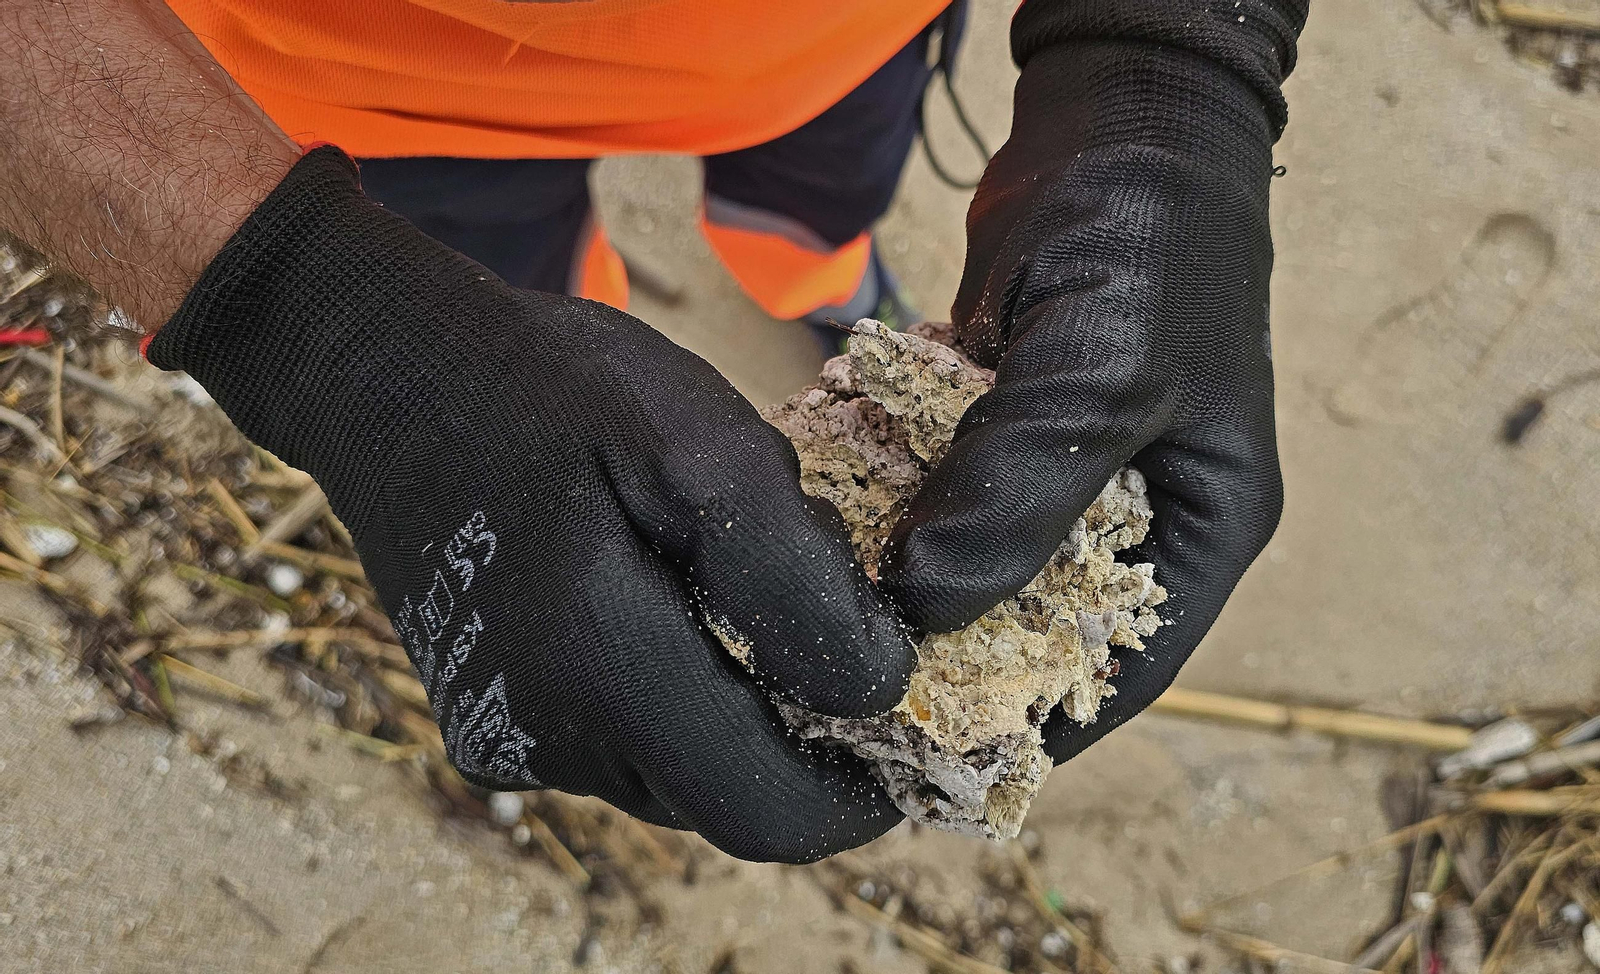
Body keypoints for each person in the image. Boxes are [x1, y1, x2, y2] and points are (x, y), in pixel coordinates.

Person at [0, 0, 1307, 862]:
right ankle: (585, 319)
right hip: (368, 85)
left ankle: (814, 275)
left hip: (834, 42)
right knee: (524, 310)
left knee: (808, 214)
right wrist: (295, 294)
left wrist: (1173, 55)